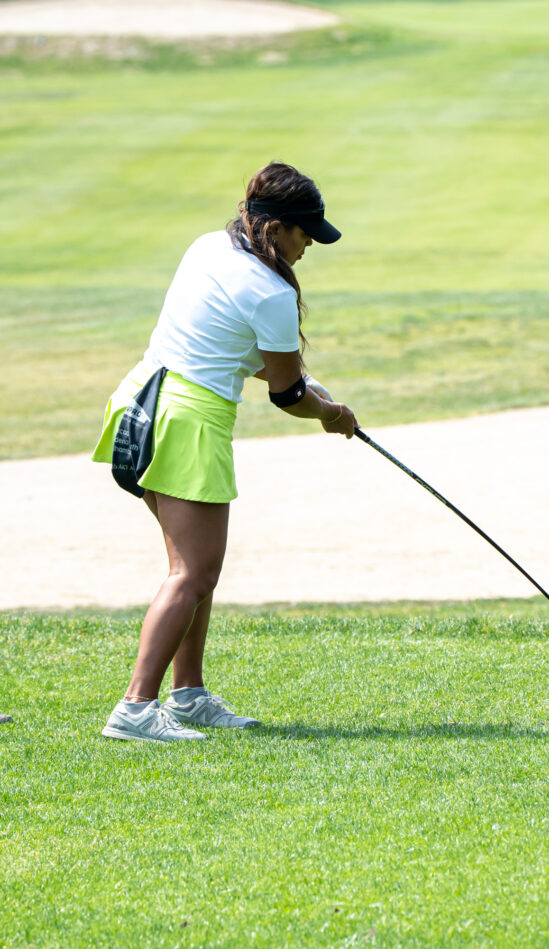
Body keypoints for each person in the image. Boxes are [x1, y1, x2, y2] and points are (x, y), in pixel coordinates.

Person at [92, 162, 358, 743]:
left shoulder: (210, 246)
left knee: (197, 571)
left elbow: (242, 350)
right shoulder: (271, 290)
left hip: (140, 402)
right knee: (193, 572)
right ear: (277, 227)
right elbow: (286, 393)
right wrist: (332, 415)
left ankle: (187, 694)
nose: (310, 243)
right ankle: (136, 708)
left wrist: (310, 391)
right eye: (306, 232)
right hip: (188, 423)